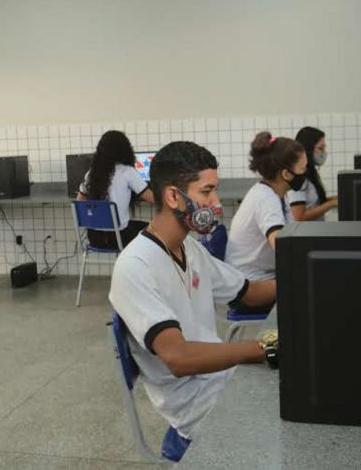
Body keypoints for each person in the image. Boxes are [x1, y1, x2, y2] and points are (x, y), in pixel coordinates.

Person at [108, 141, 277, 462]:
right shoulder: (135, 266)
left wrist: (308, 282)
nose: (215, 203)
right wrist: (264, 349)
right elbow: (180, 358)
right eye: (206, 192)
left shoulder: (191, 248)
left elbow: (248, 292)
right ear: (173, 196)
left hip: (218, 378)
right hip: (194, 405)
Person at [225, 132, 306, 281]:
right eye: (303, 170)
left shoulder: (277, 194)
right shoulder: (266, 199)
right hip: (250, 282)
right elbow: (282, 248)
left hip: (262, 275)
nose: (305, 174)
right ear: (286, 174)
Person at [77, 130, 153, 249]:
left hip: (95, 238)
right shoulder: (127, 172)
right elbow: (152, 199)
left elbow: (79, 203)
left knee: (131, 225)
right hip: (119, 238)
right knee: (153, 230)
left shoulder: (92, 173)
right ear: (125, 150)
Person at [287, 126, 338, 221]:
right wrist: (331, 204)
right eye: (320, 148)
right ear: (308, 149)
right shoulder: (297, 177)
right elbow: (299, 216)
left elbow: (314, 204)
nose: (324, 153)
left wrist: (337, 199)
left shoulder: (310, 173)